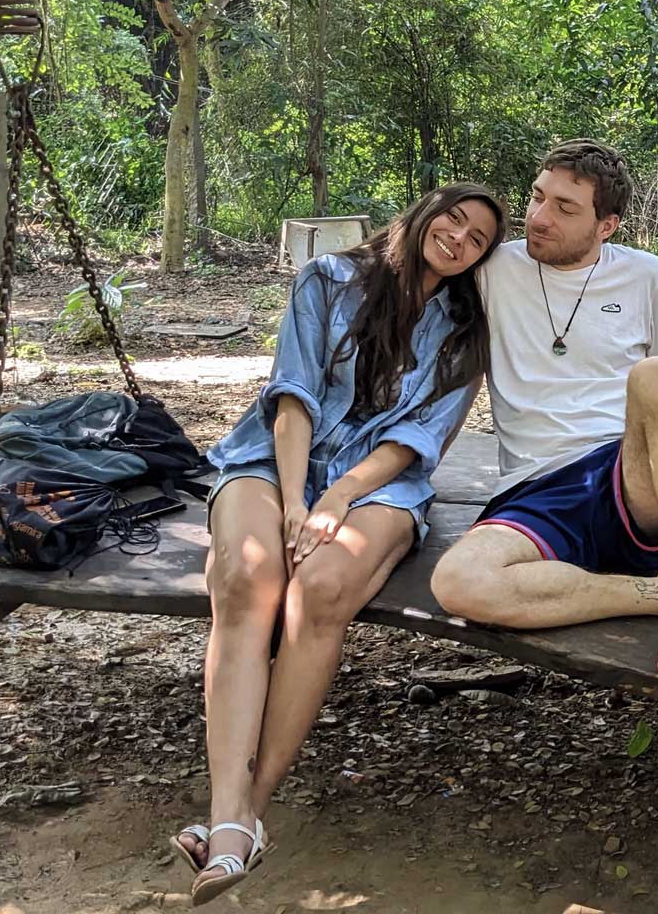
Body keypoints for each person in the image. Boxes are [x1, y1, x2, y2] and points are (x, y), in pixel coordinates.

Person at [172, 184, 505, 905]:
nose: (458, 238)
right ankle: (229, 808)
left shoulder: (462, 330)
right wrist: (295, 502)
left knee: (318, 592)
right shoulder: (326, 280)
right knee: (246, 582)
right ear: (423, 214)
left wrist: (336, 498)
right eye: (453, 219)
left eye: (477, 238)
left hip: (378, 483)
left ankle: (242, 818)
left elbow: (414, 439)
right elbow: (291, 396)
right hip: (271, 460)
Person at [430, 139, 658, 688]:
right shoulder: (492, 267)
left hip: (626, 475)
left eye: (565, 208)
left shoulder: (643, 273)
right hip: (536, 484)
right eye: (537, 198)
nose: (539, 218)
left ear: (607, 225)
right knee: (459, 584)